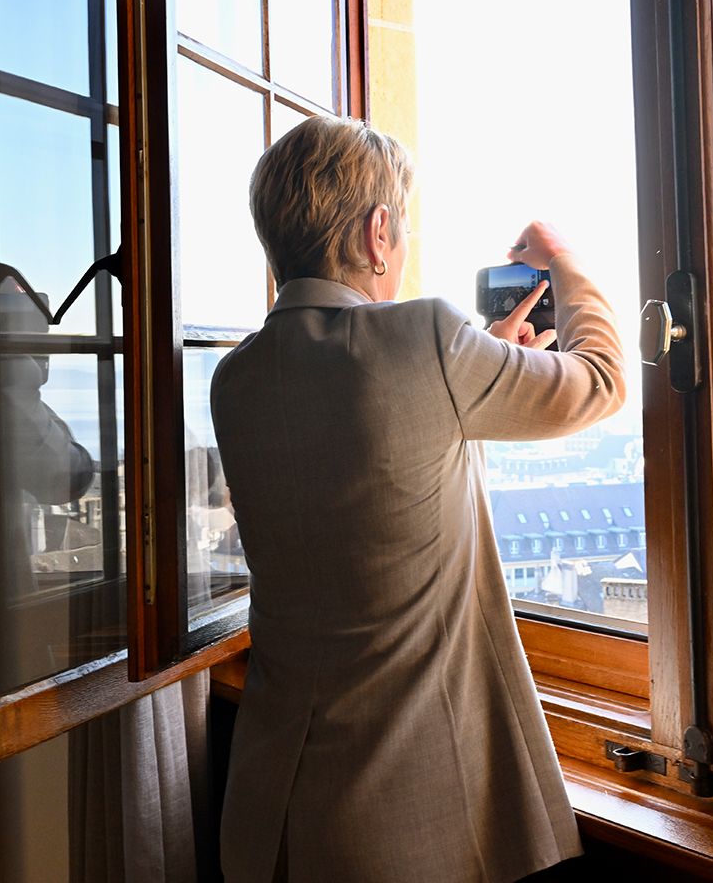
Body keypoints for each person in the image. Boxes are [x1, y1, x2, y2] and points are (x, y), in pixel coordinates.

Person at [211, 116, 626, 882]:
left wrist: (480, 359)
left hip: (268, 807)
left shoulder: (235, 378)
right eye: (399, 231)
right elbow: (601, 381)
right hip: (404, 819)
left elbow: (368, 463)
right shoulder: (425, 341)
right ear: (377, 233)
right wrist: (562, 261)